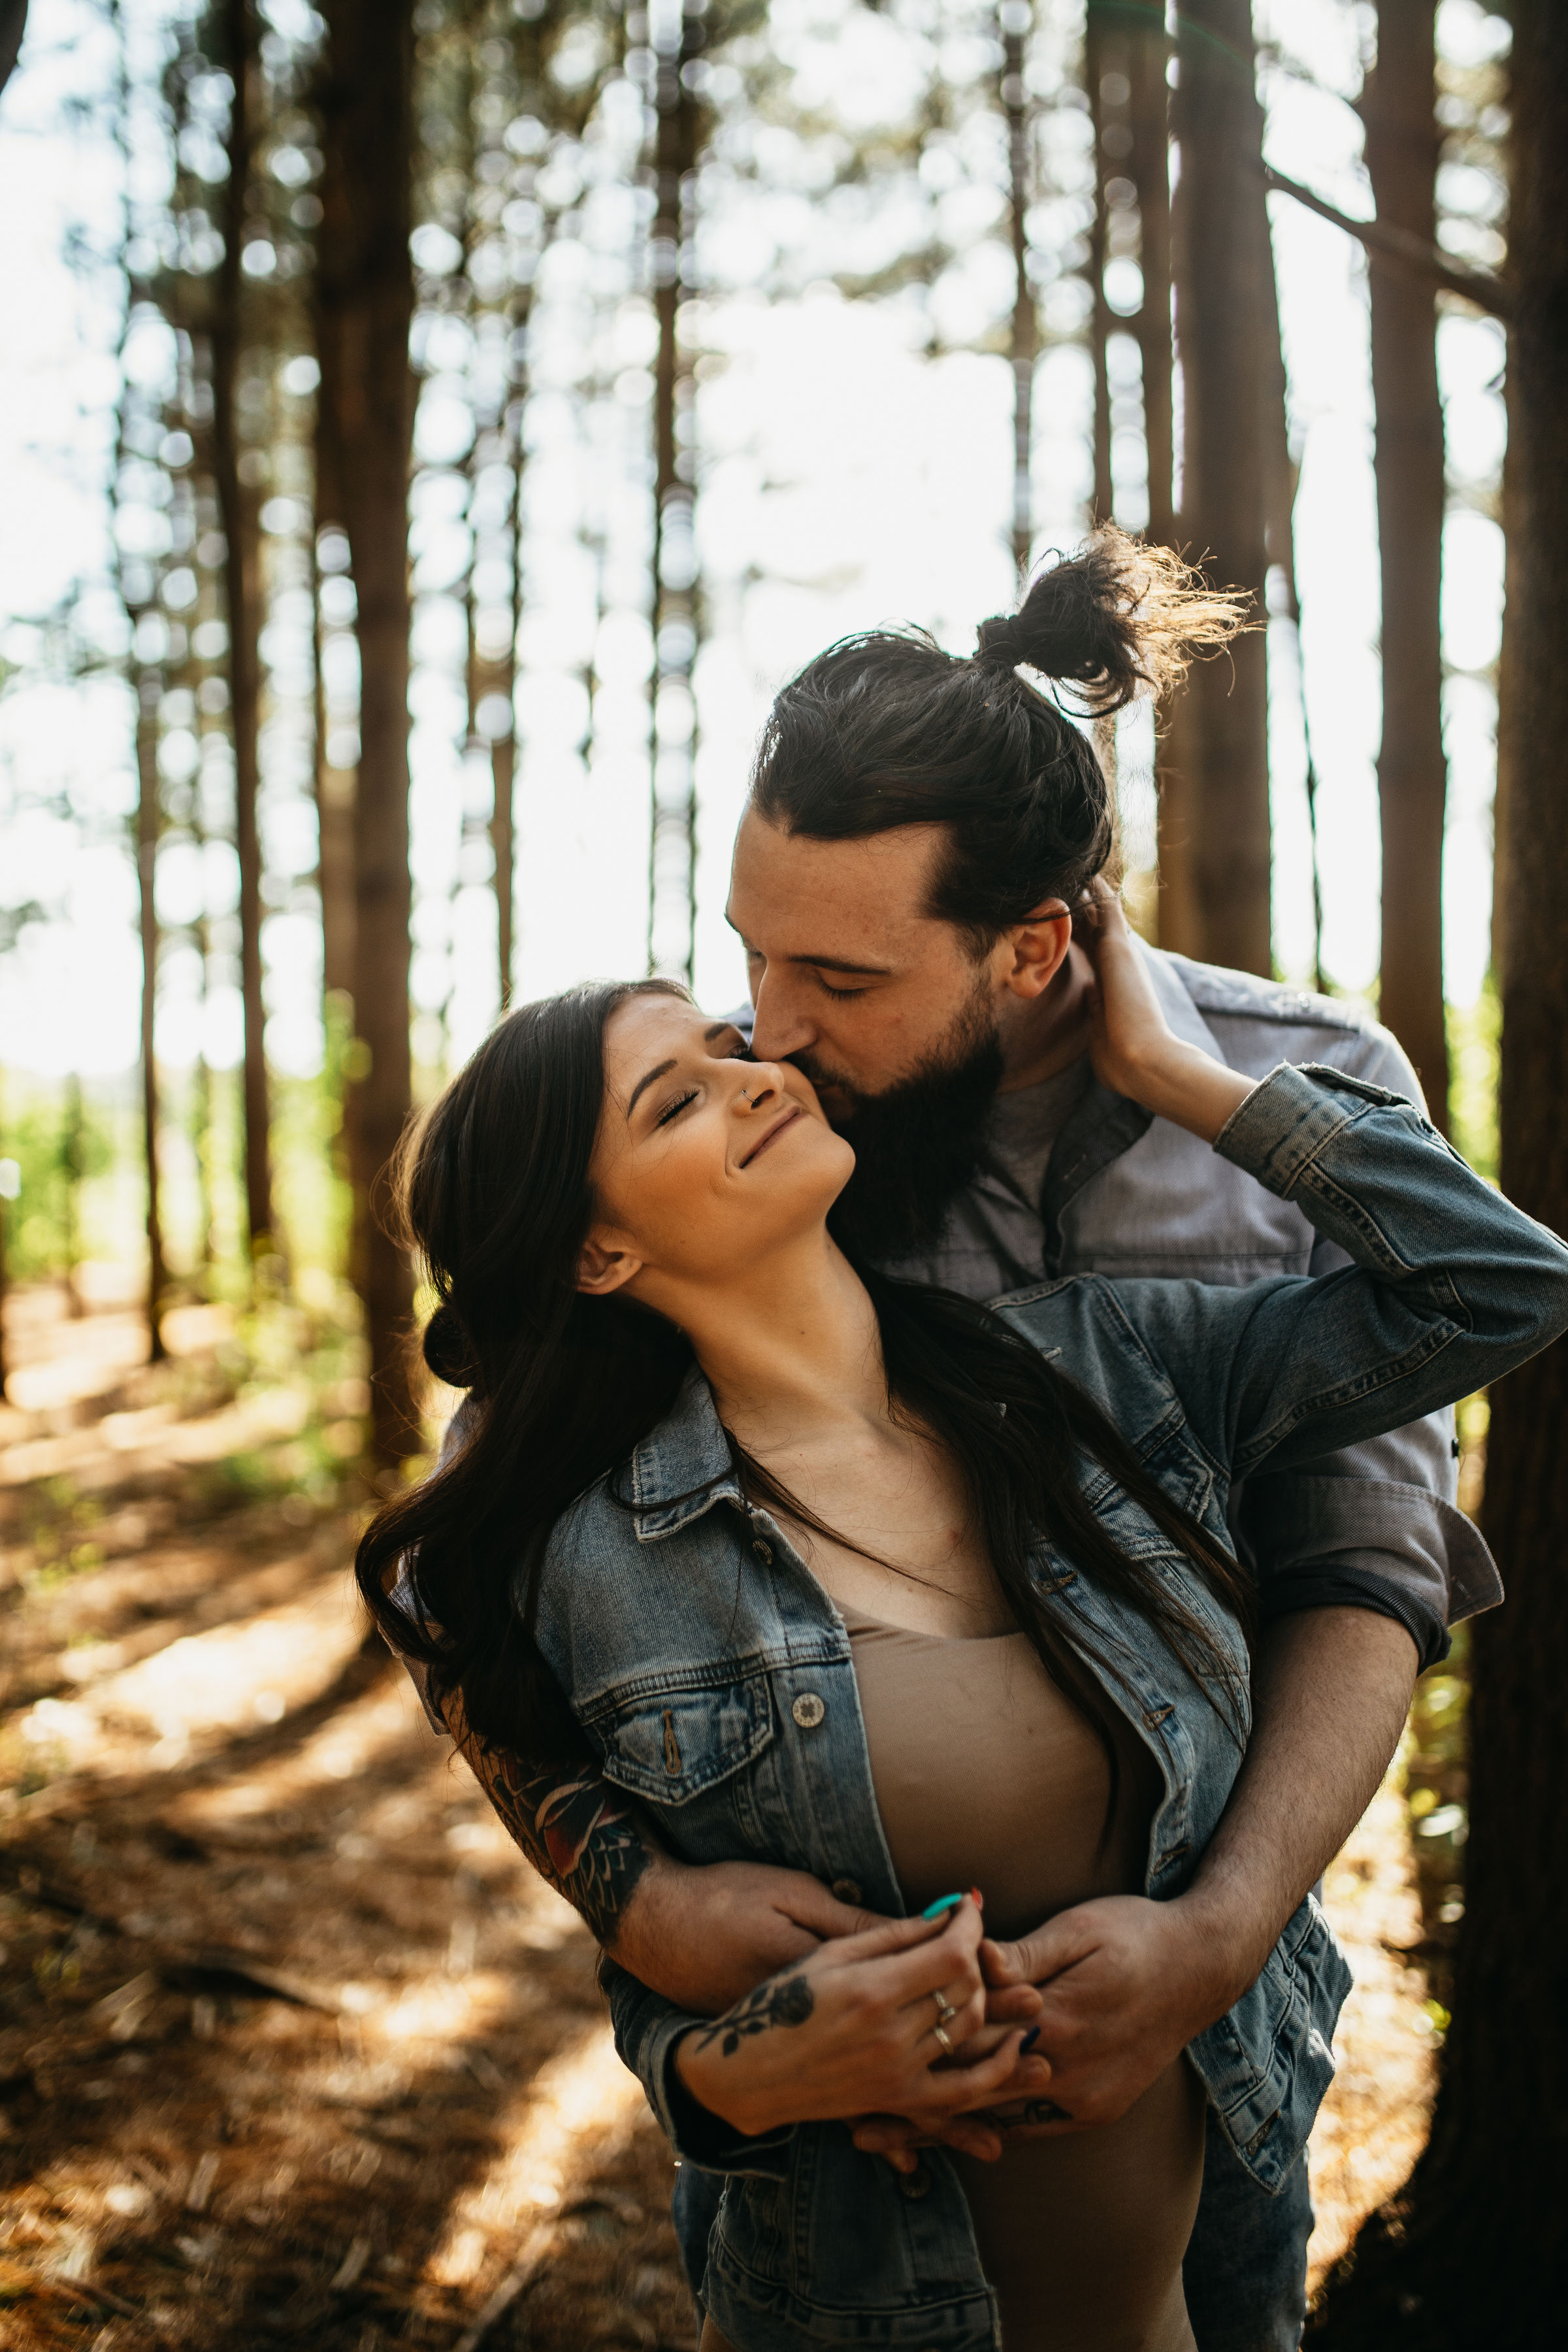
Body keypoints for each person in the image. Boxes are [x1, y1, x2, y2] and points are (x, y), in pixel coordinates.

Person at [396, 535, 1490, 2347]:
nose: (775, 1029)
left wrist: (1216, 1939)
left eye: (837, 976)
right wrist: (637, 1897)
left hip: (1218, 2083)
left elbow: (1370, 1564)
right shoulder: (776, 1133)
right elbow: (469, 1546)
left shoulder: (1311, 1089)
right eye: (750, 957)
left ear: (1033, 942)